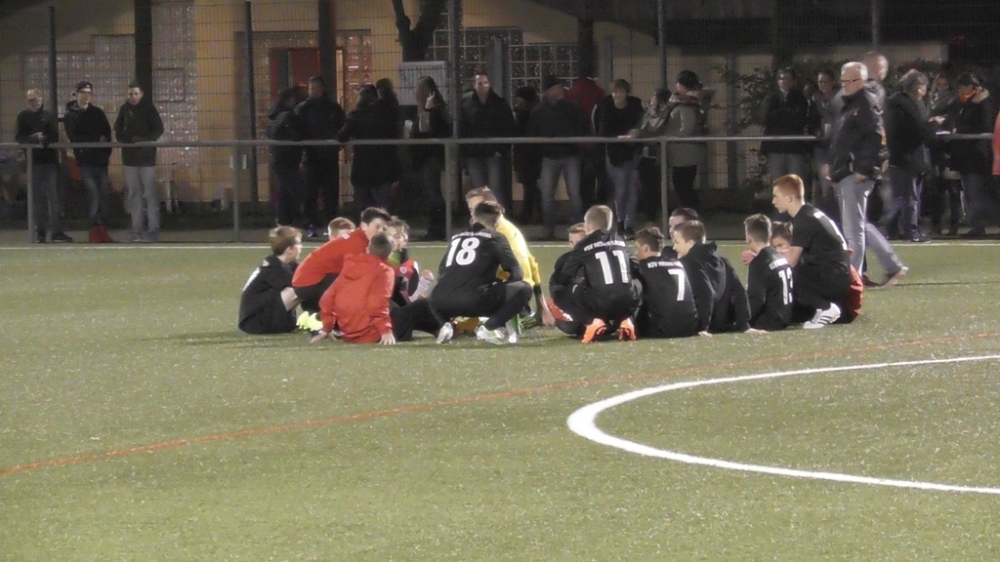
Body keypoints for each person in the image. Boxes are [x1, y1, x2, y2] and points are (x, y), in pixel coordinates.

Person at [824, 62, 906, 286]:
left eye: (850, 81)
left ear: (861, 81)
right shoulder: (849, 103)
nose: (845, 85)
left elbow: (875, 136)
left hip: (854, 173)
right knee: (858, 225)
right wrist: (833, 165)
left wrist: (862, 168)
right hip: (846, 171)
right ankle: (892, 265)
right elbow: (841, 140)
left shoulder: (864, 103)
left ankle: (853, 279)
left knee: (853, 230)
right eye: (843, 81)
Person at [430, 201, 532, 345]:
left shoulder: (456, 236)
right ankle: (489, 328)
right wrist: (501, 290)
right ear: (497, 221)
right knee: (524, 289)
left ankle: (445, 325)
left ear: (474, 216)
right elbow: (517, 273)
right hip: (474, 301)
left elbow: (441, 272)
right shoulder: (496, 237)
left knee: (437, 291)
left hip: (439, 301)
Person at [311, 233, 443, 345]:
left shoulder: (350, 265)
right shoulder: (384, 271)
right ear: (390, 254)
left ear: (368, 248)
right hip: (372, 334)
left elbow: (327, 298)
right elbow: (377, 304)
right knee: (422, 305)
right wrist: (385, 331)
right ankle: (444, 330)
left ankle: (438, 330)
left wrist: (326, 328)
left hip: (349, 333)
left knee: (398, 307)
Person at [465, 187, 555, 329]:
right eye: (471, 209)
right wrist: (541, 305)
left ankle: (510, 318)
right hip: (519, 292)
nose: (473, 214)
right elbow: (531, 262)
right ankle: (525, 314)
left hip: (510, 294)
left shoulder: (495, 234)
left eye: (477, 208)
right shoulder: (507, 227)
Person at [548, 205, 640, 343]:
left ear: (588, 225)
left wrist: (561, 290)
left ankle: (591, 321)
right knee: (637, 283)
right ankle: (627, 320)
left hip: (600, 304)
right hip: (628, 303)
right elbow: (636, 266)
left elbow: (565, 277)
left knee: (561, 290)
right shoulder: (620, 240)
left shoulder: (584, 244)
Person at [771, 174, 852, 328]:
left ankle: (826, 308)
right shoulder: (809, 213)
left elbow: (791, 261)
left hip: (834, 278)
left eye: (776, 196)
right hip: (837, 274)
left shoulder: (804, 220)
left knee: (787, 272)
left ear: (789, 198)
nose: (773, 201)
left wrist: (763, 263)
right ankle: (818, 309)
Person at [527, 74, 592, 239]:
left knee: (574, 193)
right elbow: (532, 134)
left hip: (571, 154)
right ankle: (549, 228)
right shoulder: (539, 111)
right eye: (556, 87)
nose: (561, 90)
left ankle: (579, 228)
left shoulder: (572, 108)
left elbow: (584, 125)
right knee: (547, 195)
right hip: (550, 156)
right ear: (549, 91)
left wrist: (573, 139)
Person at [291, 206, 391, 314]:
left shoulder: (358, 238)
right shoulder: (358, 244)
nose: (381, 231)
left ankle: (316, 311)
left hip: (307, 281)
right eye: (377, 227)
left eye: (384, 229)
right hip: (310, 283)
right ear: (364, 226)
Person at [673, 220, 751, 336]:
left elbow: (706, 293)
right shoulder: (722, 261)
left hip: (703, 326)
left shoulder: (688, 262)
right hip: (724, 325)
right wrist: (744, 324)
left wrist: (702, 327)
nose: (674, 247)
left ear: (690, 243)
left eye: (677, 242)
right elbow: (739, 291)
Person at [884, 70, 935, 243]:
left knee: (899, 196)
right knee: (910, 196)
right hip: (909, 157)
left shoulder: (894, 103)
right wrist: (932, 126)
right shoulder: (908, 106)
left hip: (898, 157)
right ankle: (910, 230)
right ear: (918, 88)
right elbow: (917, 131)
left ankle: (892, 229)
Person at [336, 85, 400, 216]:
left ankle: (364, 226)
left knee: (362, 206)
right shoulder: (386, 115)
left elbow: (342, 136)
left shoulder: (356, 115)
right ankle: (384, 226)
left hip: (362, 166)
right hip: (383, 166)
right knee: (383, 207)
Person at [16, 88, 71, 243]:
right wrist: (34, 139)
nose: (35, 102)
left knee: (53, 198)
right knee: (35, 199)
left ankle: (56, 231)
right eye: (31, 100)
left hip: (49, 162)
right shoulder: (22, 116)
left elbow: (54, 136)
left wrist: (43, 140)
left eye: (37, 99)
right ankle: (40, 232)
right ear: (27, 101)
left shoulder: (48, 116)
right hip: (33, 163)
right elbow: (20, 137)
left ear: (41, 99)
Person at [114, 81, 165, 243]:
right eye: (131, 94)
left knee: (150, 194)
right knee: (134, 194)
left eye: (136, 94)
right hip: (130, 159)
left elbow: (158, 129)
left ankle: (152, 230)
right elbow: (117, 129)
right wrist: (127, 140)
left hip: (146, 159)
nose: (133, 97)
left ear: (141, 94)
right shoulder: (124, 109)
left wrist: (143, 141)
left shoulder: (149, 109)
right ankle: (136, 230)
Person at [64, 80, 114, 243]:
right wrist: (95, 140)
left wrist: (103, 152)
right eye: (83, 93)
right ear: (76, 94)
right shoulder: (70, 116)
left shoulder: (98, 113)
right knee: (93, 195)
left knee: (103, 196)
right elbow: (75, 138)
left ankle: (102, 229)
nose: (86, 96)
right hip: (85, 162)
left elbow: (106, 135)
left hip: (100, 161)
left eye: (89, 93)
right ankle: (94, 230)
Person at [295, 76, 346, 236]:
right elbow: (297, 131)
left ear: (323, 89)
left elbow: (343, 128)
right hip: (310, 157)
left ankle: (330, 224)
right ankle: (310, 224)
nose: (313, 91)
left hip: (329, 157)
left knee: (330, 193)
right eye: (311, 88)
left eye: (315, 88)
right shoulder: (303, 109)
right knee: (310, 192)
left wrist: (338, 145)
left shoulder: (333, 108)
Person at [460, 72, 516, 208]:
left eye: (485, 83)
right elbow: (462, 128)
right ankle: (482, 217)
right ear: (474, 85)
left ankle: (497, 217)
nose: (483, 86)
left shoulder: (499, 103)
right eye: (479, 83)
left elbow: (508, 126)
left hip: (493, 152)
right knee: (479, 190)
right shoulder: (466, 104)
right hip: (474, 153)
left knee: (495, 188)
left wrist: (501, 149)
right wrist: (466, 150)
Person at [950, 72, 996, 238]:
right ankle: (976, 225)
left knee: (975, 192)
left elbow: (985, 125)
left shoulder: (983, 102)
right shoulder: (965, 102)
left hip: (977, 155)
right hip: (967, 154)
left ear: (971, 86)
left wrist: (961, 130)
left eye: (962, 86)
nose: (960, 90)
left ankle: (979, 226)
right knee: (970, 192)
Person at [632, 226, 699, 339]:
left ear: (646, 248)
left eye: (637, 248)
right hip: (690, 327)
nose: (635, 252)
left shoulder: (642, 267)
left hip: (663, 329)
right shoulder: (678, 263)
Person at [597, 79, 645, 236]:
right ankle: (620, 221)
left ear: (626, 93)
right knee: (621, 189)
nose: (618, 95)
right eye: (615, 92)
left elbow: (642, 123)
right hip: (615, 155)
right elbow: (603, 132)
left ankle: (629, 224)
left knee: (632, 190)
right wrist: (620, 138)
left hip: (633, 152)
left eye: (621, 91)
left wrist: (636, 132)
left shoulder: (635, 105)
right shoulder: (606, 107)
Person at [238, 226, 303, 334]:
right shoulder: (272, 268)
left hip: (263, 313)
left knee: (302, 287)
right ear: (290, 249)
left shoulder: (287, 265)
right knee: (299, 288)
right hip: (254, 323)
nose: (301, 247)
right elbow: (306, 287)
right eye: (299, 243)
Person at [411, 76, 452, 240]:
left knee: (433, 193)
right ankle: (435, 228)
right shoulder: (432, 111)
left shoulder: (435, 112)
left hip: (431, 157)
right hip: (427, 157)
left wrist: (427, 112)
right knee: (432, 193)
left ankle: (438, 229)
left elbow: (425, 131)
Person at [665, 71, 709, 210]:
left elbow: (687, 128)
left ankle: (691, 213)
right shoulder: (693, 101)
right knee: (684, 185)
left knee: (682, 186)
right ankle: (691, 212)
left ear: (681, 85)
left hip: (684, 152)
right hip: (686, 151)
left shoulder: (685, 103)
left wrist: (669, 136)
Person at [743, 214, 794, 332]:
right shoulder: (779, 256)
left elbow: (756, 299)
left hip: (770, 320)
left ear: (749, 239)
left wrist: (741, 320)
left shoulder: (759, 262)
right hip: (786, 316)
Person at [926, 72, 963, 235]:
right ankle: (936, 224)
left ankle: (954, 224)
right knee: (936, 189)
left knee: (953, 189)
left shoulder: (955, 101)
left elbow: (954, 120)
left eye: (945, 85)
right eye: (939, 85)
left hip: (951, 148)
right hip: (935, 148)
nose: (942, 88)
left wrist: (943, 121)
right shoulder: (930, 100)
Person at [266, 87, 306, 227]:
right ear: (290, 99)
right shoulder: (288, 116)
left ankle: (284, 219)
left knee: (286, 189)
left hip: (278, 156)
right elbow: (297, 135)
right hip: (287, 157)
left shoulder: (273, 114)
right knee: (293, 189)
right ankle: (286, 219)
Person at [761, 68, 811, 181]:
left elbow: (800, 119)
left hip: (795, 147)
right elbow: (767, 118)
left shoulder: (799, 98)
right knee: (779, 182)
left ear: (794, 81)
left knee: (795, 181)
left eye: (788, 78)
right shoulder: (771, 98)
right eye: (782, 78)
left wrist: (780, 115)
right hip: (776, 147)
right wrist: (787, 114)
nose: (785, 81)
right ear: (777, 81)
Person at [807, 70, 841, 221]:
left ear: (832, 82)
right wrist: (816, 130)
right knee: (825, 183)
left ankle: (840, 217)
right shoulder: (815, 99)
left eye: (825, 81)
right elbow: (811, 119)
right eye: (820, 82)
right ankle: (830, 218)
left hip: (838, 145)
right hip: (821, 146)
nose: (823, 84)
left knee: (837, 183)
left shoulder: (840, 97)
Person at [635, 88, 672, 223]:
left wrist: (641, 134)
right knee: (647, 189)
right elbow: (639, 130)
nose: (652, 100)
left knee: (657, 188)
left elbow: (657, 134)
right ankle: (650, 217)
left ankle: (661, 217)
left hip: (658, 157)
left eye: (655, 98)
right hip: (644, 157)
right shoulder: (646, 115)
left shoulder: (667, 116)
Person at [512, 86, 542, 224]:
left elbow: (519, 132)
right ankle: (534, 212)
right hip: (529, 154)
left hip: (527, 154)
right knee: (530, 186)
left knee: (529, 186)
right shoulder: (533, 112)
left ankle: (529, 214)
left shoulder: (525, 114)